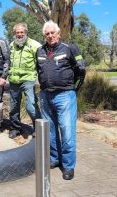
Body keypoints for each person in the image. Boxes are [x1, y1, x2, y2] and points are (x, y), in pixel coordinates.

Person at [36, 20, 86, 180]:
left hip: (65, 96)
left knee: (67, 132)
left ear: (58, 33)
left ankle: (68, 166)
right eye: (47, 34)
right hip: (45, 96)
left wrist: (73, 89)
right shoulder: (39, 51)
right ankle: (55, 159)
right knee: (50, 132)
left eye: (52, 33)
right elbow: (39, 70)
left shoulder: (69, 48)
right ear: (44, 35)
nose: (50, 36)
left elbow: (81, 71)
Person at [8, 23, 42, 139]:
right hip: (13, 81)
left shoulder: (34, 45)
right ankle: (15, 128)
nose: (20, 34)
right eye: (17, 32)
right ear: (14, 33)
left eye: (22, 32)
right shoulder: (11, 45)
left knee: (31, 106)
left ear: (25, 32)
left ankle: (39, 129)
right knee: (13, 107)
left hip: (28, 80)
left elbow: (42, 61)